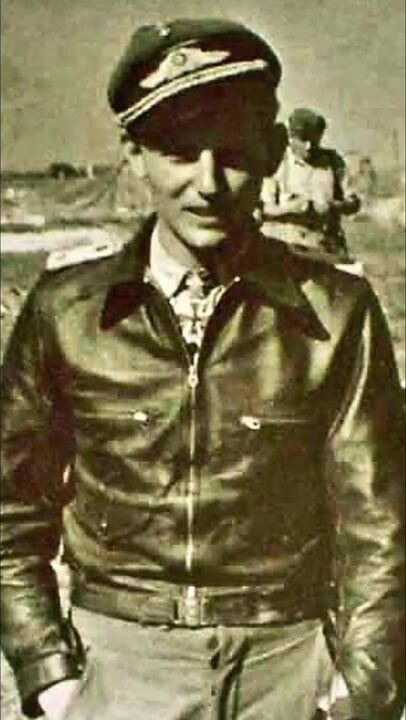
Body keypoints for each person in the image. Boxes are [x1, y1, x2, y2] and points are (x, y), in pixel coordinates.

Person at [1, 18, 404, 720]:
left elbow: (381, 522)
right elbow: (10, 511)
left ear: (272, 151)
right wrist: (52, 677)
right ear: (134, 157)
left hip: (288, 670)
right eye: (179, 152)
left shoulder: (336, 312)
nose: (208, 183)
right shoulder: (67, 311)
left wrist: (359, 691)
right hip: (118, 672)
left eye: (234, 152)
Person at [260, 107, 361, 257]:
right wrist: (294, 207)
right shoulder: (277, 162)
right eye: (303, 140)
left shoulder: (333, 161)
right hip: (286, 245)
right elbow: (264, 209)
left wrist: (332, 206)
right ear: (291, 138)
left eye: (313, 140)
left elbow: (354, 203)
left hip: (325, 245)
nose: (309, 146)